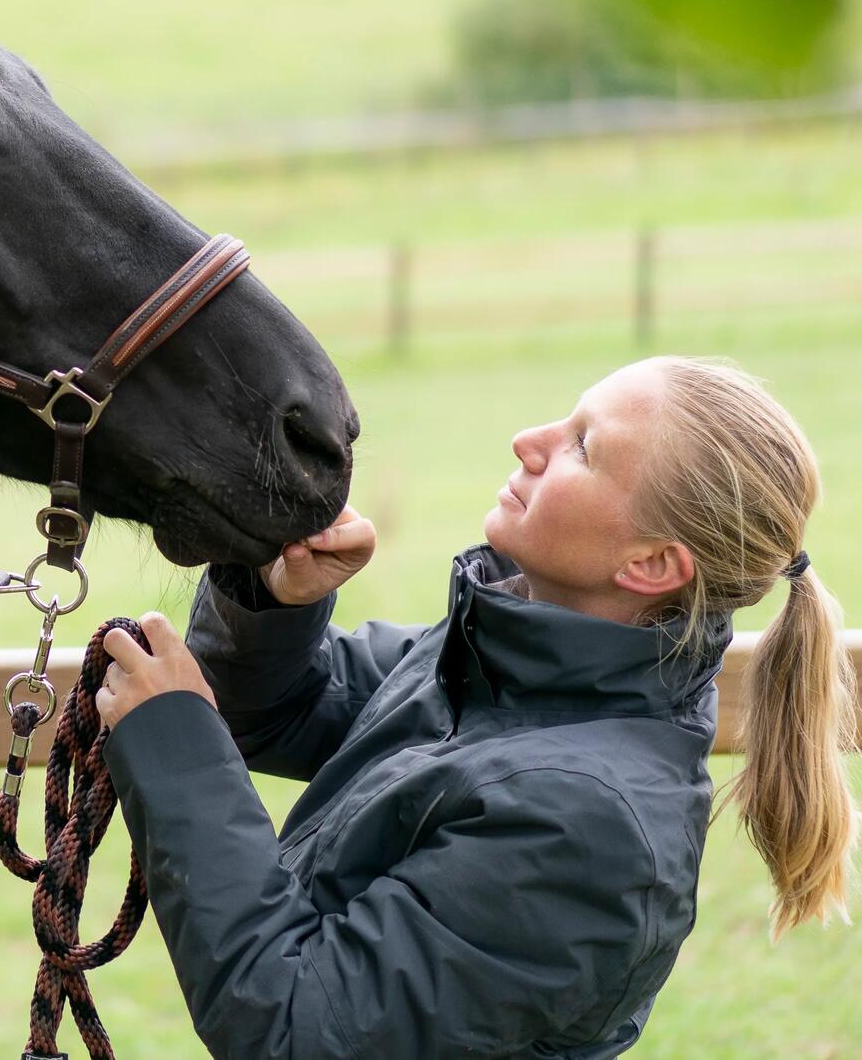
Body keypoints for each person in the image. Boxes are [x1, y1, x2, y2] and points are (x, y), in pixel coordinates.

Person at [97, 355, 856, 1059]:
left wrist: (173, 744)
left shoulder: (589, 828)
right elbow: (282, 713)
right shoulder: (496, 654)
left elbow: (294, 1025)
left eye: (583, 449)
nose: (529, 441)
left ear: (651, 565)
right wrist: (274, 600)